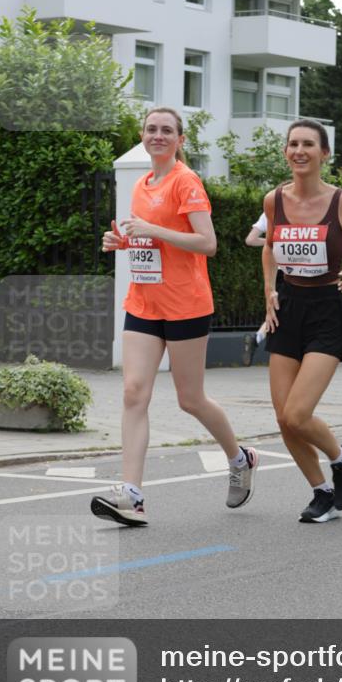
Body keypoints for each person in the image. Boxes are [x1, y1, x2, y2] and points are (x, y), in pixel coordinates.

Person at [91, 107, 258, 526]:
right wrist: (122, 243)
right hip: (144, 303)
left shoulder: (187, 181)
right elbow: (147, 240)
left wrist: (152, 229)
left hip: (186, 305)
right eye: (151, 129)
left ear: (180, 139)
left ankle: (240, 458)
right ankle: (132, 494)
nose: (158, 135)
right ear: (142, 136)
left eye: (167, 130)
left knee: (190, 399)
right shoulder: (143, 185)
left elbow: (208, 243)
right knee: (133, 392)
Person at [263, 118, 342, 522]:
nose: (299, 151)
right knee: (283, 419)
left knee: (298, 413)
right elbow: (268, 247)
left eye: (308, 145)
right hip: (288, 308)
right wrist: (269, 291)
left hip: (327, 310)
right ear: (286, 152)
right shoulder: (273, 200)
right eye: (293, 144)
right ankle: (322, 490)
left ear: (324, 154)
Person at [242, 211, 268, 367]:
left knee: (276, 312)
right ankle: (256, 338)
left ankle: (257, 338)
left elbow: (250, 240)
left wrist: (272, 242)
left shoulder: (270, 210)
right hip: (296, 272)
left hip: (274, 270)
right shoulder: (302, 209)